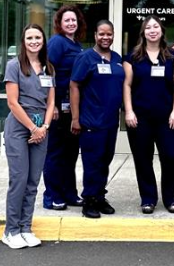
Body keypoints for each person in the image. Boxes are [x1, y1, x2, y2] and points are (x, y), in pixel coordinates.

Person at [1, 24, 53, 249]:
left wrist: (44, 127)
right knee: (19, 179)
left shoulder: (49, 68)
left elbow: (51, 102)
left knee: (33, 182)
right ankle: (10, 230)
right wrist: (33, 128)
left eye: (38, 37)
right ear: (24, 41)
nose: (34, 41)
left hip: (42, 127)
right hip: (20, 126)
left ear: (43, 41)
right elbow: (12, 102)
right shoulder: (14, 66)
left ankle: (25, 228)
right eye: (29, 37)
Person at [125, 16, 174, 215]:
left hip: (167, 118)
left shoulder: (172, 56)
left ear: (161, 31)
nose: (152, 30)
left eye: (155, 26)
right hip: (140, 118)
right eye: (148, 27)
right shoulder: (133, 57)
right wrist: (129, 110)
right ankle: (148, 198)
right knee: (143, 159)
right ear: (143, 32)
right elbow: (127, 84)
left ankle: (171, 198)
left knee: (171, 157)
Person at [69, 20, 124, 219]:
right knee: (92, 162)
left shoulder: (117, 58)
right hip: (91, 120)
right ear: (95, 35)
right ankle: (89, 200)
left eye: (109, 34)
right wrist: (75, 118)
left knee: (105, 161)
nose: (105, 37)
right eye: (102, 34)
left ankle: (100, 196)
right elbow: (74, 86)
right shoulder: (86, 58)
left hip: (110, 122)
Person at [40, 5, 86, 211]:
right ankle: (52, 196)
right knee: (56, 154)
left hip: (72, 109)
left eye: (74, 20)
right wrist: (52, 104)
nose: (71, 23)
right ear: (60, 23)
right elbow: (47, 71)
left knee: (70, 154)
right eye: (67, 20)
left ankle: (69, 193)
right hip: (58, 107)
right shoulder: (57, 42)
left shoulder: (77, 44)